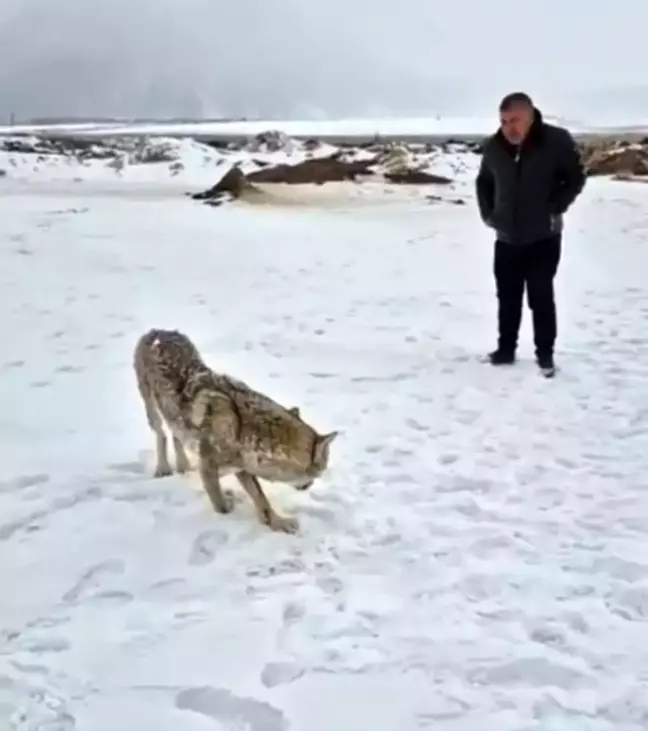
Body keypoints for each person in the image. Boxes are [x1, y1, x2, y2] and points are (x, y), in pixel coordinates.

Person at [475, 92, 586, 376]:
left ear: (530, 116)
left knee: (540, 296)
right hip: (506, 236)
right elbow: (484, 181)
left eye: (515, 120)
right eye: (503, 121)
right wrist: (489, 214)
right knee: (507, 297)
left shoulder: (556, 141)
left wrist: (555, 207)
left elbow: (575, 177)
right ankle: (505, 350)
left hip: (543, 236)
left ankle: (545, 354)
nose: (508, 127)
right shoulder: (494, 146)